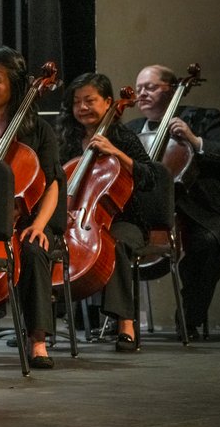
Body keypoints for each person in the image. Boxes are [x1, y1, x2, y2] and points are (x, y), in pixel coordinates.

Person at [56, 72, 160, 352]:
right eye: (77, 102)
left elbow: (150, 177)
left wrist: (116, 152)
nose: (82, 108)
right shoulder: (68, 137)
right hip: (79, 218)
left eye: (90, 100)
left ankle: (126, 323)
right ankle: (40, 326)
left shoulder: (122, 137)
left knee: (116, 245)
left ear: (109, 103)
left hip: (125, 220)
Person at [0, 47, 63, 368]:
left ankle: (37, 339)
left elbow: (52, 183)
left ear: (15, 86)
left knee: (34, 249)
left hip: (29, 218)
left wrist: (39, 224)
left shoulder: (39, 131)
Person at [125, 64, 220, 338]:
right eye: (139, 89)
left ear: (172, 89)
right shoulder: (132, 129)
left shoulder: (203, 118)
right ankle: (118, 319)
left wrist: (195, 140)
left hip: (196, 208)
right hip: (144, 209)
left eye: (150, 87)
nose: (142, 94)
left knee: (208, 243)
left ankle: (189, 319)